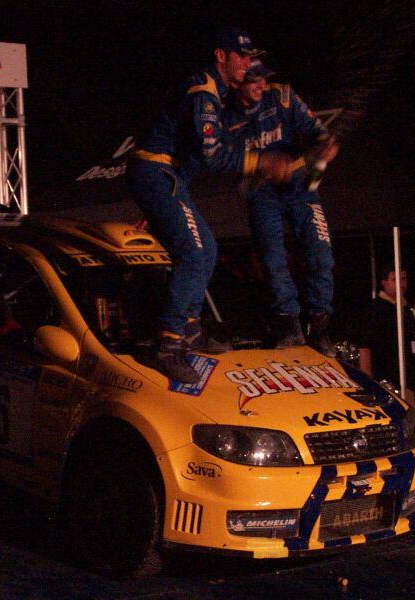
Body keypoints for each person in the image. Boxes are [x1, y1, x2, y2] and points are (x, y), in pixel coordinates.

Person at [128, 28, 287, 384]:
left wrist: (159, 203)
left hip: (164, 176)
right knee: (194, 252)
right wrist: (260, 163)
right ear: (221, 56)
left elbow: (194, 159)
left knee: (208, 248)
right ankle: (168, 344)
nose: (248, 65)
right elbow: (213, 157)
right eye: (242, 57)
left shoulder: (218, 96)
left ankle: (190, 328)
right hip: (155, 170)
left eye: (251, 58)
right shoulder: (205, 93)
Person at [225, 57, 339, 355]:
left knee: (320, 251)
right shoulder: (225, 112)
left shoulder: (283, 96)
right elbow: (222, 158)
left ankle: (320, 326)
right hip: (260, 190)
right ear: (238, 82)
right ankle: (289, 326)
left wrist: (324, 146)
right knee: (273, 259)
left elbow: (318, 132)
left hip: (300, 185)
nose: (262, 85)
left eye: (264, 78)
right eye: (254, 80)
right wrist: (264, 166)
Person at [357, 263, 415, 389]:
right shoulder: (376, 309)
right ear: (384, 282)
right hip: (387, 380)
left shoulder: (406, 308)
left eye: (403, 279)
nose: (401, 284)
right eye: (395, 279)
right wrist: (368, 381)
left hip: (409, 379)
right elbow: (365, 345)